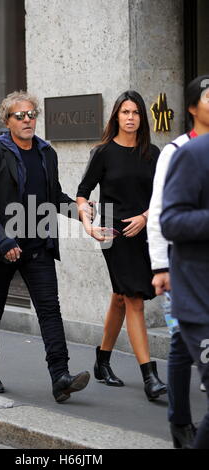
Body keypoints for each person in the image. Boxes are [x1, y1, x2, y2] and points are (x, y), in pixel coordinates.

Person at [0, 90, 90, 403]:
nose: (27, 120)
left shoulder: (46, 153)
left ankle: (60, 377)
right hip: (2, 248)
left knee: (50, 310)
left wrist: (87, 214)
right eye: (19, 116)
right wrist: (4, 239)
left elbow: (55, 199)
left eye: (31, 115)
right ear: (7, 121)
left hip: (38, 245)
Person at [76, 90, 167, 401]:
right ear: (116, 116)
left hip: (144, 232)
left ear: (142, 118)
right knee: (134, 300)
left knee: (119, 298)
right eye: (125, 112)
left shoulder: (152, 153)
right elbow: (83, 192)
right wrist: (88, 224)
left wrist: (144, 216)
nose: (130, 118)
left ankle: (102, 361)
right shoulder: (103, 152)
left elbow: (162, 195)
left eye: (136, 113)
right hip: (114, 232)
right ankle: (150, 376)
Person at [147, 75, 209, 448]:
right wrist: (160, 267)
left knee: (182, 343)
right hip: (181, 267)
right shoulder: (178, 151)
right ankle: (179, 422)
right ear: (191, 107)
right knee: (178, 340)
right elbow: (159, 214)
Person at [161, 132, 209, 449]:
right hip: (200, 298)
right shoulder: (189, 153)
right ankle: (179, 420)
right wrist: (158, 268)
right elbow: (167, 219)